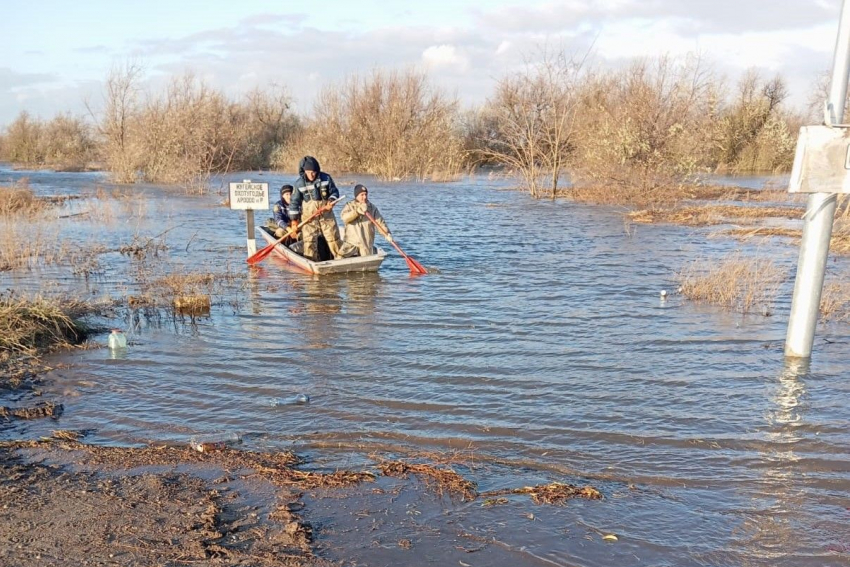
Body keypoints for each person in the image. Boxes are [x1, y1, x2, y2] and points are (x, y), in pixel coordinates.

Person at [288, 156, 342, 261]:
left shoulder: (326, 178)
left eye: (313, 172)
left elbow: (335, 192)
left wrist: (331, 201)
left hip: (326, 214)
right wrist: (294, 221)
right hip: (309, 217)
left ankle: (340, 259)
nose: (311, 175)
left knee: (333, 238)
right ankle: (311, 261)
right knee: (309, 241)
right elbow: (294, 203)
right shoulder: (299, 183)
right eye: (308, 172)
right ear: (304, 171)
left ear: (317, 170)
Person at [338, 184, 393, 258]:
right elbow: (344, 218)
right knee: (340, 256)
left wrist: (387, 234)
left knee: (366, 258)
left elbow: (380, 223)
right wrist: (357, 212)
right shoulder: (350, 206)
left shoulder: (372, 208)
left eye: (366, 194)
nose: (365, 197)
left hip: (366, 244)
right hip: (351, 242)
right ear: (356, 195)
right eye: (362, 195)